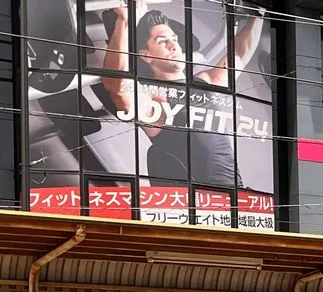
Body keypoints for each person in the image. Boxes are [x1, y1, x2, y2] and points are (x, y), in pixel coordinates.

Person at [102, 0, 265, 185]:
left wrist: (258, 14)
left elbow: (239, 54)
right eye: (162, 41)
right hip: (201, 198)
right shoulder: (154, 97)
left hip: (237, 192)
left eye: (174, 39)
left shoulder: (204, 82)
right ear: (145, 55)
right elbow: (116, 87)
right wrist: (125, 21)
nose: (174, 45)